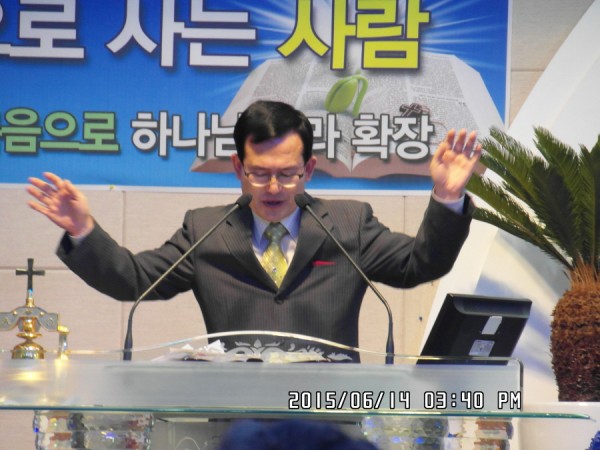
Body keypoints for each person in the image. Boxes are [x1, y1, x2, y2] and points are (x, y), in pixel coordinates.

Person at [27, 100, 481, 360]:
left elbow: (421, 264)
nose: (274, 188)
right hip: (236, 424)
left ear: (309, 169)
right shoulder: (206, 229)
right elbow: (135, 279)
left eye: (288, 174)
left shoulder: (349, 224)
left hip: (328, 425)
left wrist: (447, 197)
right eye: (260, 173)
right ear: (238, 167)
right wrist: (84, 229)